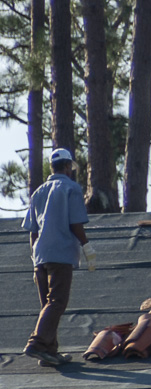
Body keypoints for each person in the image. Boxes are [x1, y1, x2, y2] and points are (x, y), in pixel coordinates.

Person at [22, 148, 91, 367]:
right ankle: (37, 343)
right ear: (68, 166)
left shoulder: (38, 192)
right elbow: (75, 223)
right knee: (57, 302)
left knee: (47, 305)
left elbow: (33, 231)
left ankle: (49, 352)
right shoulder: (71, 188)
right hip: (60, 254)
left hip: (40, 255)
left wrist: (35, 260)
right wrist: (87, 246)